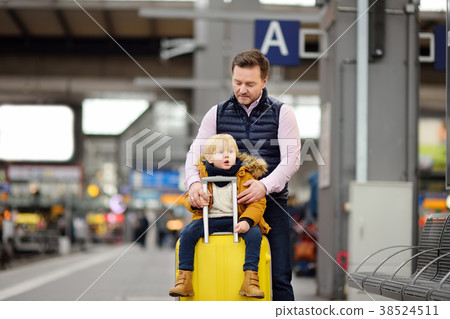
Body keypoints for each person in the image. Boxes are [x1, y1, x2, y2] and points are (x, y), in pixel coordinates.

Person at [185, 49, 301, 300]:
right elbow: (195, 154)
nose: (242, 89)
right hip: (225, 208)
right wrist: (194, 184)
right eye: (237, 82)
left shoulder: (283, 113)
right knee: (230, 273)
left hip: (272, 206)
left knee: (280, 278)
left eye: (250, 84)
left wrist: (264, 186)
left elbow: (292, 160)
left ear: (265, 81)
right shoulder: (215, 114)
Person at [170, 134, 270, 298]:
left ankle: (250, 278)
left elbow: (258, 203)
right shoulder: (202, 176)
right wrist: (196, 201)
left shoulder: (244, 175)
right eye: (220, 152)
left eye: (231, 152)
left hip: (237, 220)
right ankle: (184, 278)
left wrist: (247, 220)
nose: (226, 155)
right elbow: (189, 199)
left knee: (254, 234)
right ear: (208, 158)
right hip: (208, 221)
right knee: (187, 233)